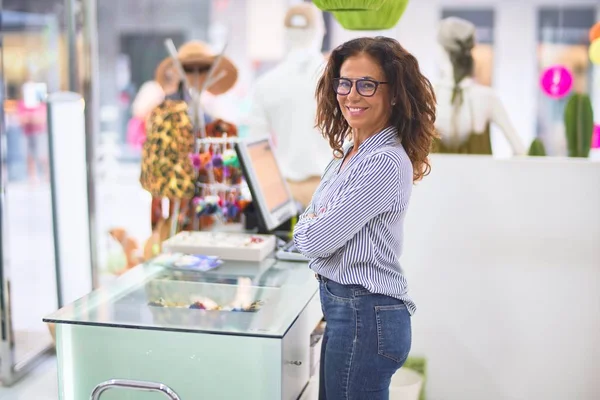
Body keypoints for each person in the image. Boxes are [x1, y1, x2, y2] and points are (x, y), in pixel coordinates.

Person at [292, 37, 437, 399]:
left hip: (364, 316)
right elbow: (312, 226)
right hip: (353, 313)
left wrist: (312, 223)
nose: (351, 95)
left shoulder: (382, 162)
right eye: (345, 82)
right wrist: (313, 222)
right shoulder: (351, 153)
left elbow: (313, 239)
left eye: (367, 84)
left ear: (394, 94)